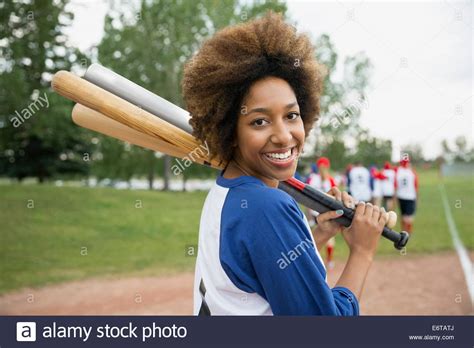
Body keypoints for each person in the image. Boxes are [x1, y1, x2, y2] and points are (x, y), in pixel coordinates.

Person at [182, 12, 388, 316]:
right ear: (230, 130)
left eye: (291, 115)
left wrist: (314, 237)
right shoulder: (266, 205)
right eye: (259, 121)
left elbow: (261, 271)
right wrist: (362, 252)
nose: (283, 136)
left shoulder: (228, 192)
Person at [307, 157, 337, 269]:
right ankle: (329, 260)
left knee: (312, 237)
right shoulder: (330, 180)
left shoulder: (312, 178)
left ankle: (314, 261)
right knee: (328, 237)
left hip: (315, 212)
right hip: (326, 212)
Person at [395, 157, 418, 233]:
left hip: (400, 196)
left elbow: (395, 185)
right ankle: (408, 232)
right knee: (409, 217)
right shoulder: (411, 172)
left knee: (403, 215)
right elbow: (416, 185)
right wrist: (417, 197)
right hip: (410, 196)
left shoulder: (398, 171)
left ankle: (403, 231)